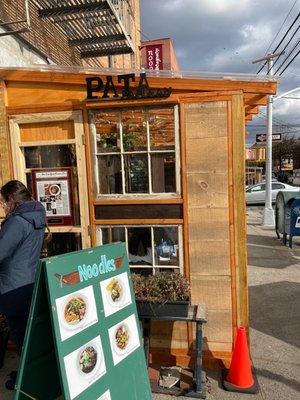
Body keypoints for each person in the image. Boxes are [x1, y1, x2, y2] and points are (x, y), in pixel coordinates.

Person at [0, 180, 47, 390]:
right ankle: (31, 374)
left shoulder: (17, 222)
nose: (3, 206)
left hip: (12, 287)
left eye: (3, 202)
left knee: (21, 335)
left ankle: (28, 381)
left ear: (11, 200)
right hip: (29, 282)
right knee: (29, 334)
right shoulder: (37, 215)